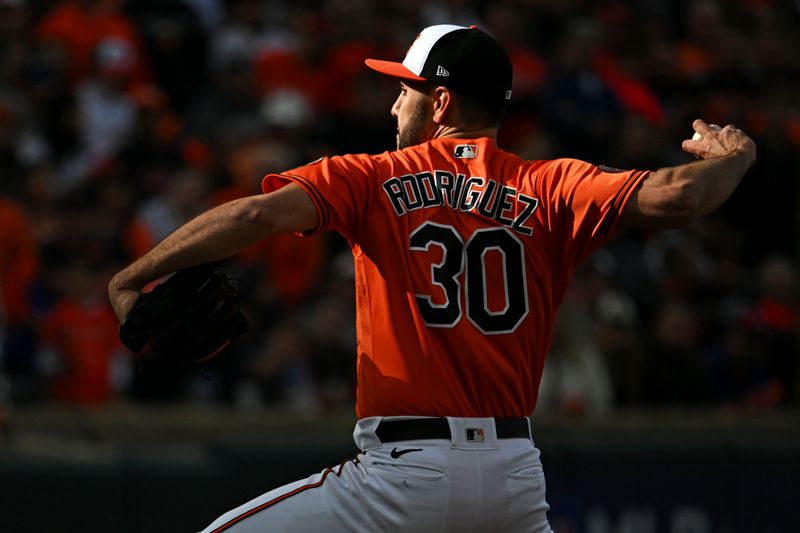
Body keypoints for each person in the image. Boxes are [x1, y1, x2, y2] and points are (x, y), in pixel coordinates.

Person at [108, 24, 756, 533]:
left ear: (440, 100)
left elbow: (252, 213)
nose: (394, 105)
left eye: (406, 90)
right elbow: (678, 197)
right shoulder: (553, 184)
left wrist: (136, 275)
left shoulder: (370, 176)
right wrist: (738, 155)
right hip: (513, 479)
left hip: (401, 477)